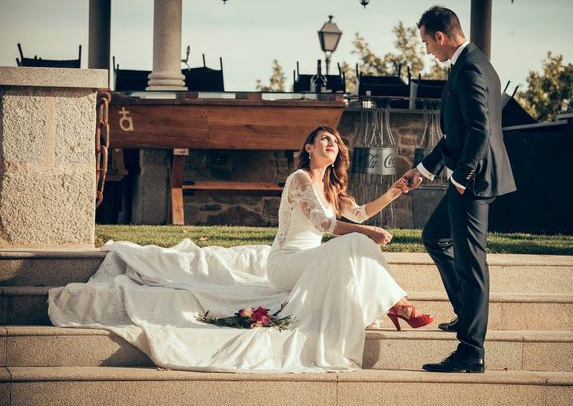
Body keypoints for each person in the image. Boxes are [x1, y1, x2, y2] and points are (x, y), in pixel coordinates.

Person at [49, 125, 432, 373]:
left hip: (312, 259)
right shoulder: (300, 179)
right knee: (354, 242)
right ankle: (398, 305)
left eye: (335, 141)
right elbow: (326, 226)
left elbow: (360, 213)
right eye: (324, 140)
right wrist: (368, 233)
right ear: (309, 147)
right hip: (286, 264)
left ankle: (397, 306)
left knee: (357, 245)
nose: (332, 144)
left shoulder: (333, 187)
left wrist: (394, 191)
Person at [401, 6, 516, 374]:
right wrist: (423, 169)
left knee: (471, 264)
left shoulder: (469, 69)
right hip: (469, 176)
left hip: (474, 181)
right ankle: (467, 314)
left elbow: (480, 131)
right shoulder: (471, 62)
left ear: (440, 36)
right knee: (435, 237)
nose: (426, 51)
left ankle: (471, 351)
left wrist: (462, 176)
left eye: (426, 43)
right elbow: (458, 134)